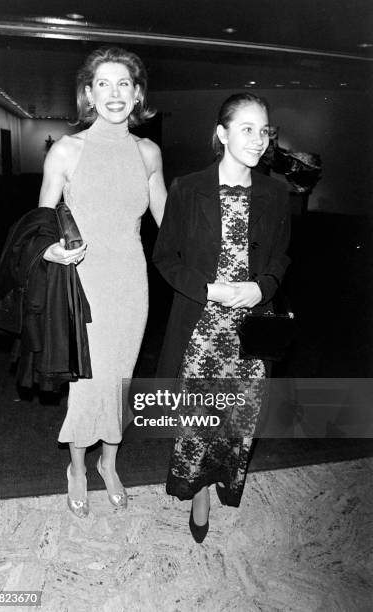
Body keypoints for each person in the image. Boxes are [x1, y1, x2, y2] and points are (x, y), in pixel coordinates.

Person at [153, 93, 290, 542]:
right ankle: (197, 491)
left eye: (264, 130)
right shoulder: (187, 188)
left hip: (252, 325)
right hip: (202, 327)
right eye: (247, 128)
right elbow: (165, 258)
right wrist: (208, 288)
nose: (258, 139)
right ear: (222, 133)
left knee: (240, 418)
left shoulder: (276, 192)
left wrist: (261, 287)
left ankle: (222, 478)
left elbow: (281, 259)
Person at [39, 47, 166, 517]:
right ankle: (76, 466)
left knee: (121, 378)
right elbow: (41, 220)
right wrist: (50, 248)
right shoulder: (68, 149)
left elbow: (168, 224)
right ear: (89, 94)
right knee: (87, 381)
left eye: (124, 84)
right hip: (82, 282)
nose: (114, 93)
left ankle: (109, 463)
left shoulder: (148, 152)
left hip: (131, 283)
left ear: (137, 94)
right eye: (103, 84)